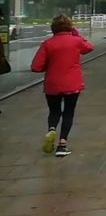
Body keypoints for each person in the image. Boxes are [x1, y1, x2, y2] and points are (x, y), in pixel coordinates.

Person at [31, 15, 93, 157]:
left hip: (52, 84)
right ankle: (62, 144)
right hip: (72, 83)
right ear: (70, 27)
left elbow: (35, 67)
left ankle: (52, 129)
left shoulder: (47, 43)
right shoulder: (76, 41)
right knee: (68, 112)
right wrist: (76, 34)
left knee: (54, 111)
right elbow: (89, 47)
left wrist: (49, 66)